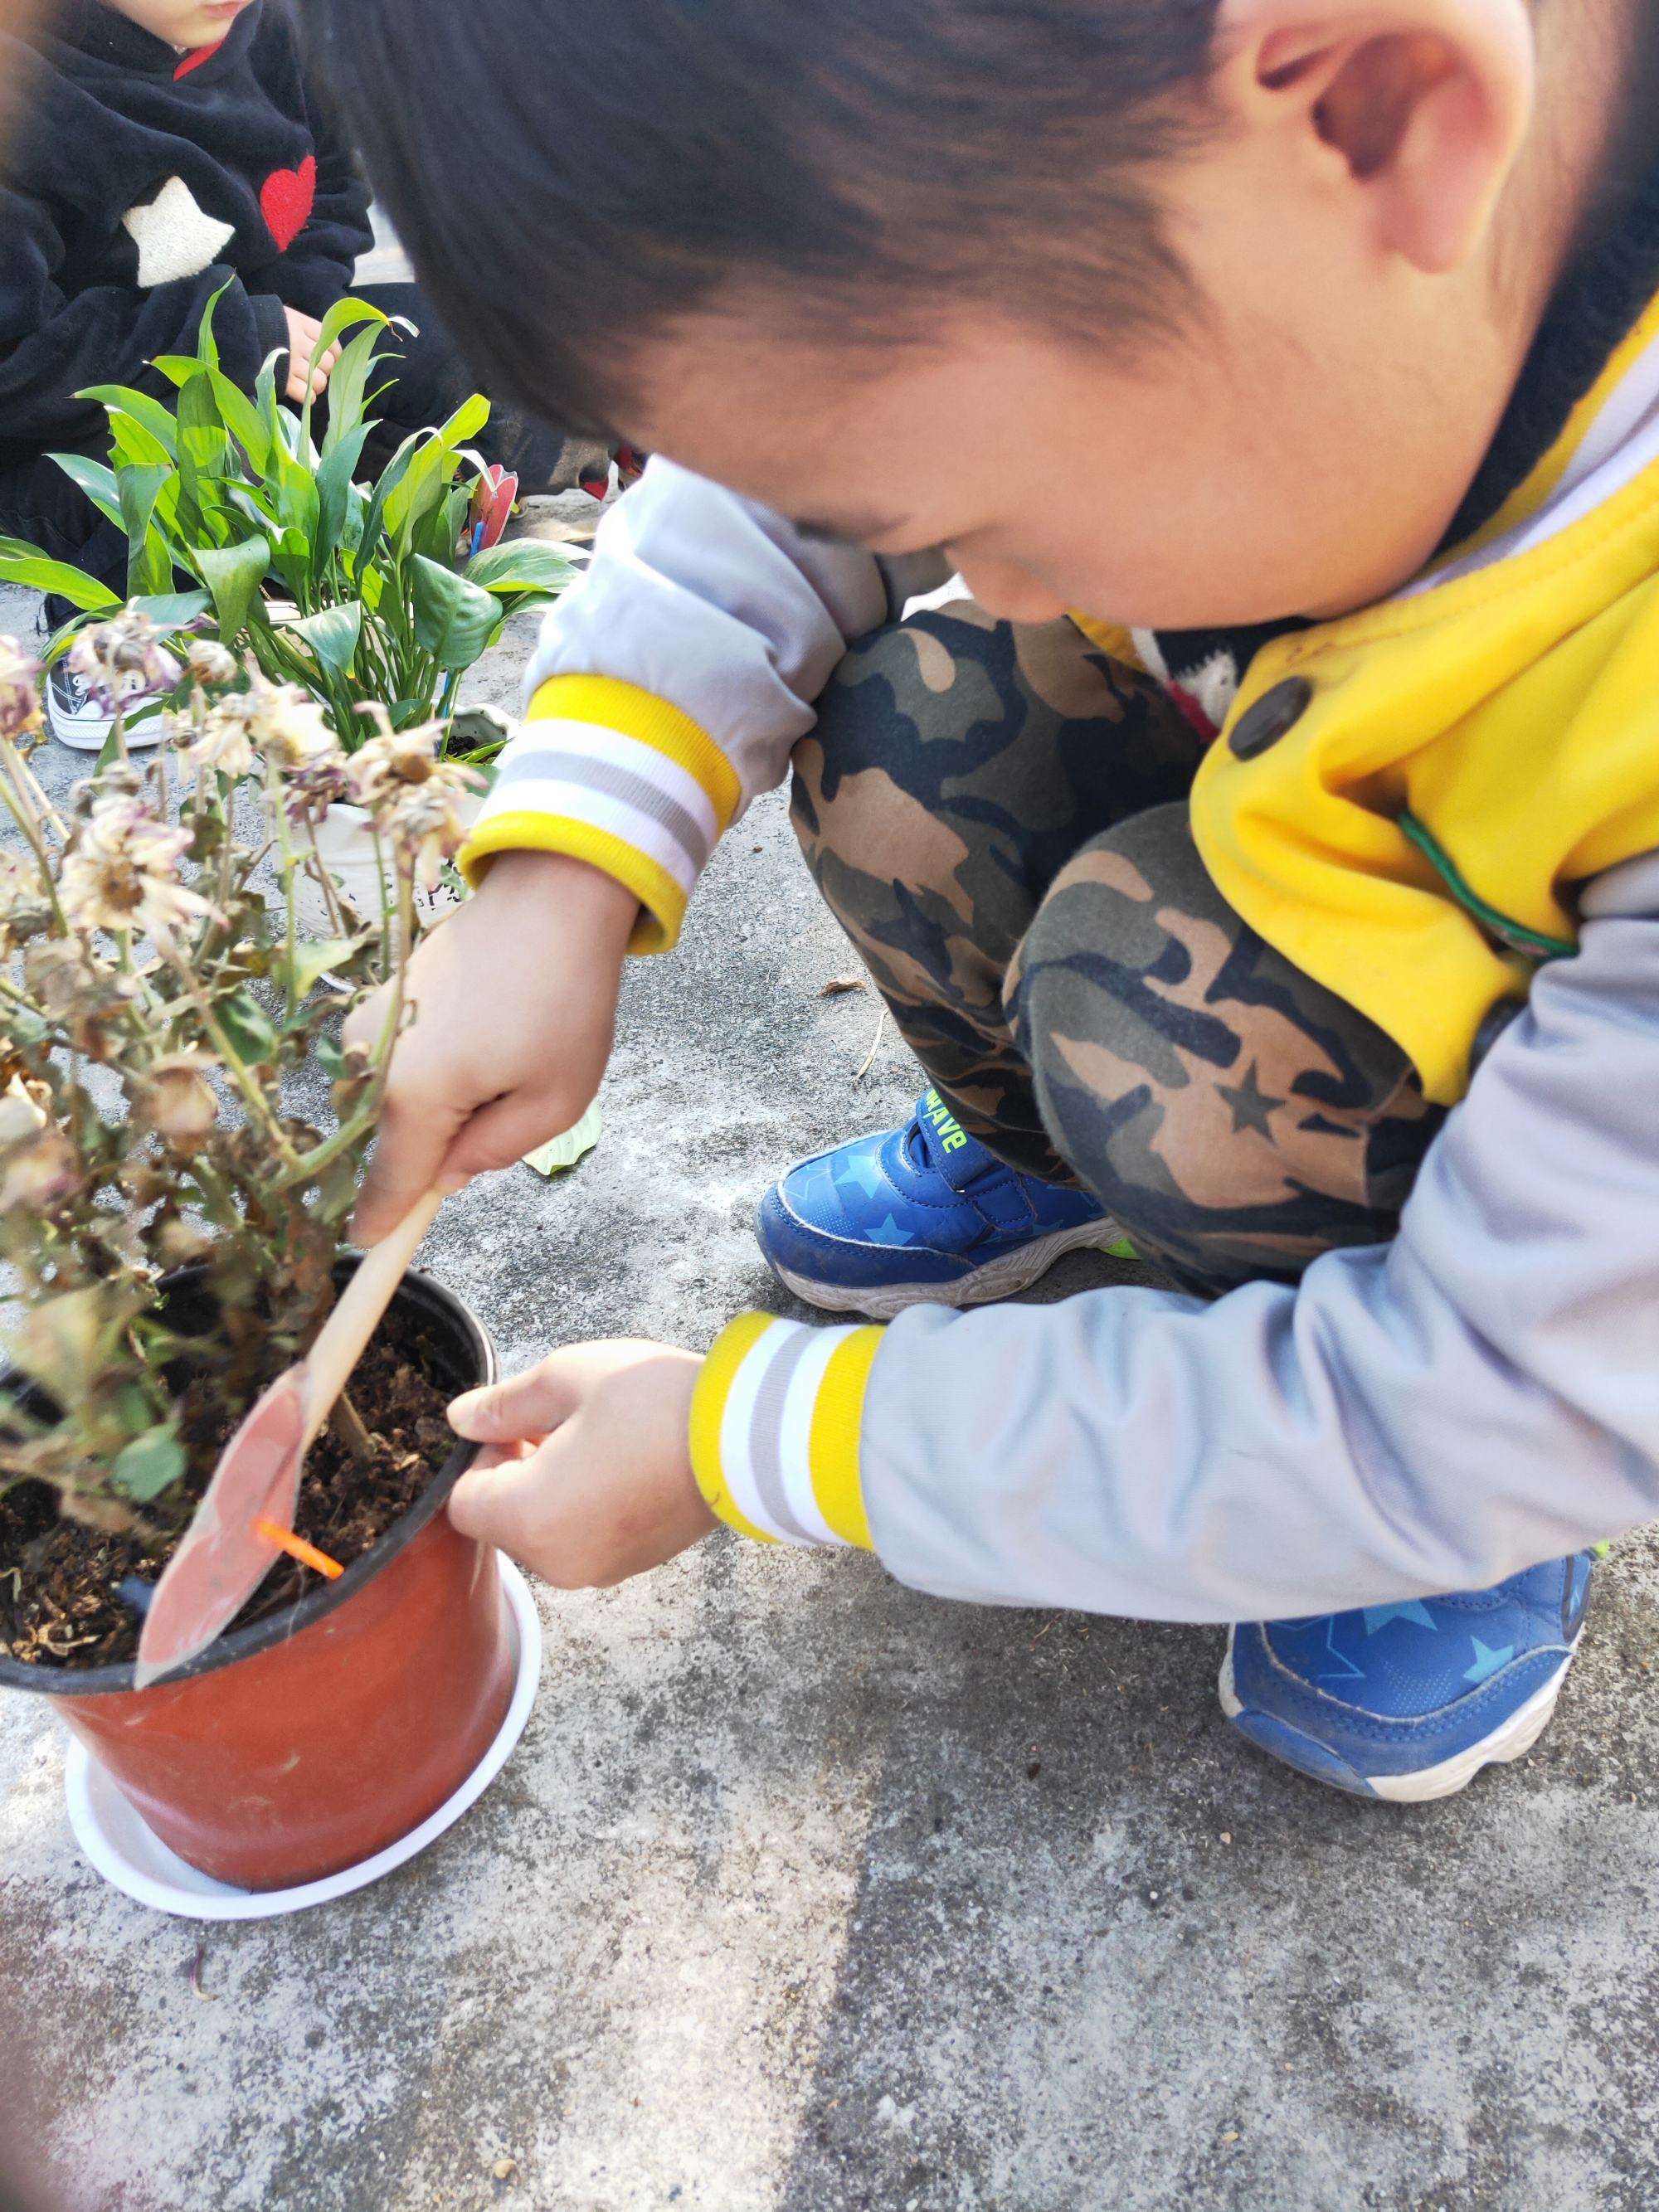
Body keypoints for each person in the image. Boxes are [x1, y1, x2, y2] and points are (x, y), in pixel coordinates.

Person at [308, 0, 1659, 1801]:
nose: (978, 578)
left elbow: (1470, 1387)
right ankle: (1052, 1169)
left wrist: (753, 1437)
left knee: (1140, 1018)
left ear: (1379, 108)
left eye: (982, 512)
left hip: (1538, 1267)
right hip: (1294, 777)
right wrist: (558, 879)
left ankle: (1469, 1539)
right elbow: (803, 462)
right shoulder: (1246, 233)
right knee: (903, 730)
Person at [0, 0, 594, 747]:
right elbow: (16, 363)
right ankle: (111, 632)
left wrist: (300, 326)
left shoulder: (273, 28)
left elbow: (333, 193)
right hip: (85, 421)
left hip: (274, 359)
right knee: (193, 479)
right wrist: (234, 334)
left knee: (486, 343)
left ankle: (385, 507)